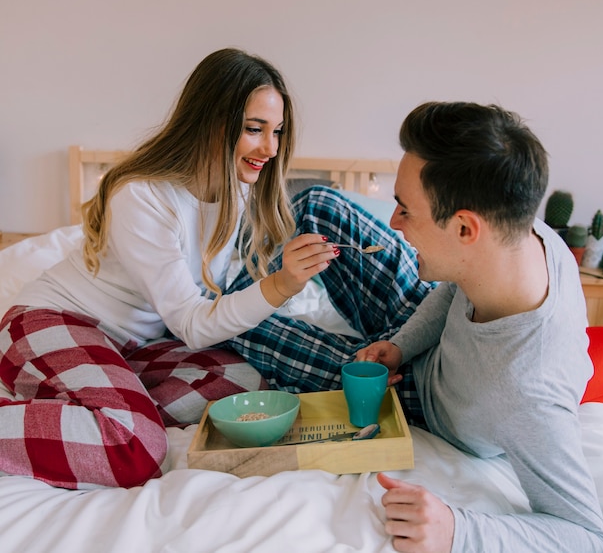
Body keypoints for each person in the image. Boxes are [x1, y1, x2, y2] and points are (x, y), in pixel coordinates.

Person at [0, 48, 431, 489]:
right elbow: (191, 323)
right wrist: (281, 284)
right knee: (134, 447)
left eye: (277, 131)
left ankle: (89, 401)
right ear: (209, 123)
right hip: (53, 322)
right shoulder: (142, 196)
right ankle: (93, 410)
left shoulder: (237, 188)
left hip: (133, 346)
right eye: (253, 129)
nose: (270, 148)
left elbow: (215, 308)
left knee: (254, 382)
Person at [357, 102, 603, 552]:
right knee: (318, 203)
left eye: (405, 210)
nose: (393, 223)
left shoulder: (526, 391)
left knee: (265, 334)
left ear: (464, 229)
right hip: (426, 347)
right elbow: (458, 287)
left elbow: (588, 537)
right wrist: (399, 345)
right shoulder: (522, 233)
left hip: (423, 402)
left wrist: (458, 530)